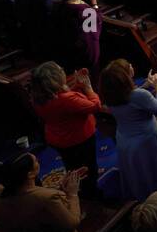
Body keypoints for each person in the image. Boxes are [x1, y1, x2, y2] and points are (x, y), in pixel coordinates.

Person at [100, 58, 157, 200]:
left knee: (140, 175)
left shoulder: (110, 94)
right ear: (125, 76)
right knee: (155, 174)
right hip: (146, 140)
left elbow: (129, 99)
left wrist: (146, 84)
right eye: (129, 66)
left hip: (125, 141)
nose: (132, 65)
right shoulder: (139, 95)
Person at [29, 62, 103, 199]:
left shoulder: (37, 98)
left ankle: (77, 191)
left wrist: (76, 86)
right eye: (60, 70)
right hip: (78, 138)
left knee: (72, 167)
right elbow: (95, 106)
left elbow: (62, 100)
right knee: (88, 168)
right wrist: (88, 87)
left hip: (58, 139)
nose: (62, 70)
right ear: (55, 79)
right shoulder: (67, 100)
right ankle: (92, 195)